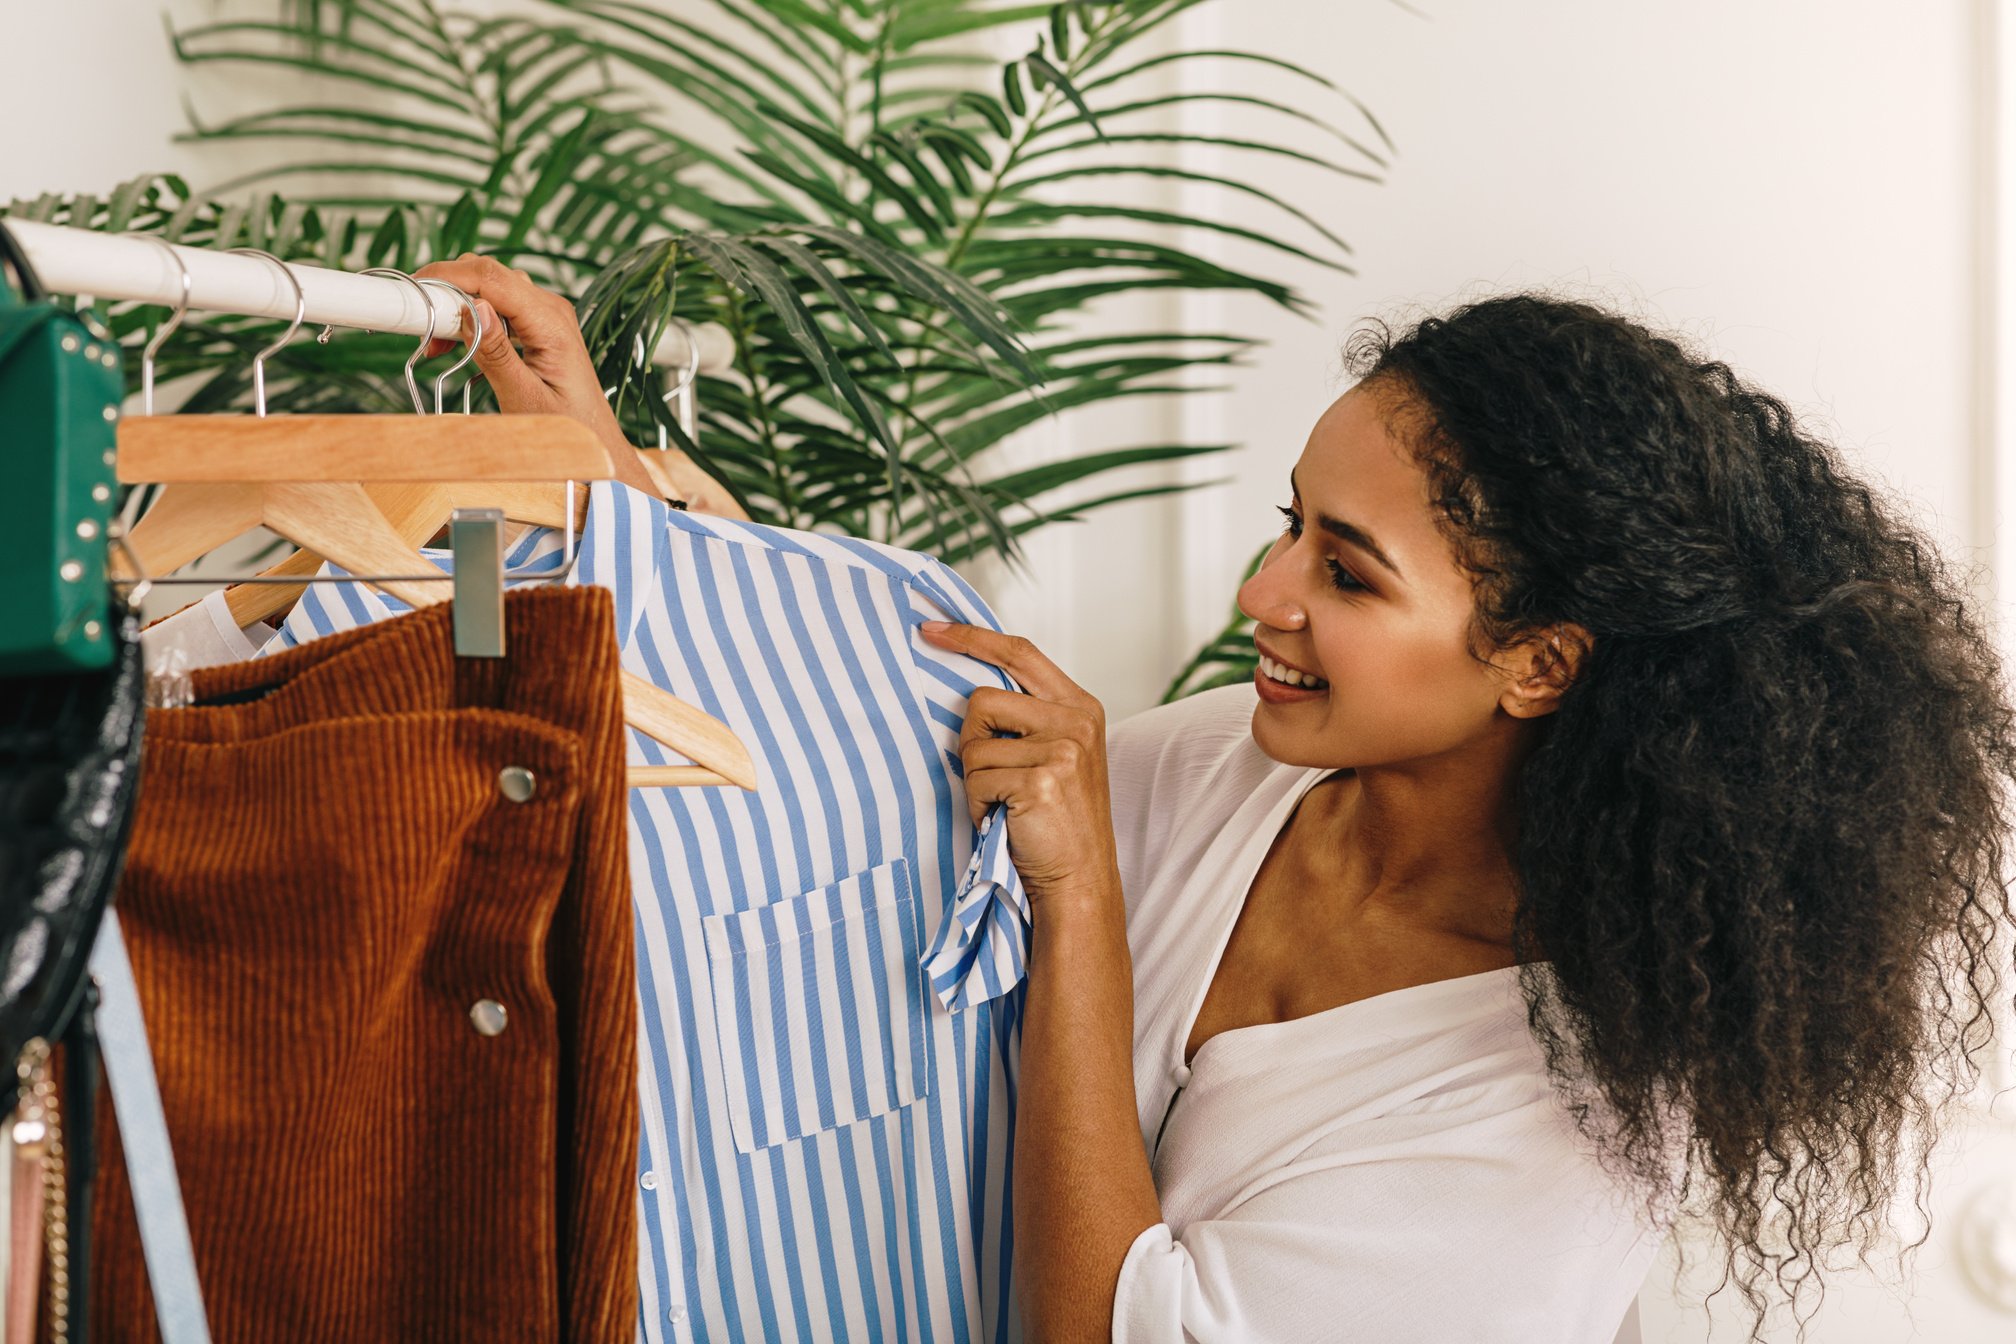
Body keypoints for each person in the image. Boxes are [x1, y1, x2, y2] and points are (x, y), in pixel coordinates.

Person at [447, 263, 2016, 1342]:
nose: (1262, 592)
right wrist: (608, 489)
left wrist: (1083, 908)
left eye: (1345, 571)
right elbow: (852, 768)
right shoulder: (1225, 766)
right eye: (1290, 526)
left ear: (1538, 663)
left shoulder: (1556, 1128)